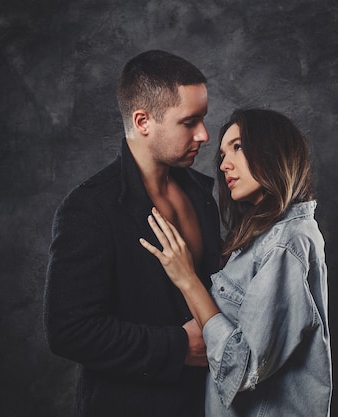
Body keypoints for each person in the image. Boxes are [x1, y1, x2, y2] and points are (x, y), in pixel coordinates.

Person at [43, 50, 221, 417]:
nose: (204, 135)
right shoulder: (90, 208)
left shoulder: (202, 194)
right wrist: (176, 347)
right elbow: (69, 330)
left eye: (203, 119)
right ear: (143, 121)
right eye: (189, 122)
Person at [140, 108, 332, 416]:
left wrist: (187, 279)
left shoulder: (286, 243)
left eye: (238, 147)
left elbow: (242, 368)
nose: (224, 164)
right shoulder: (261, 237)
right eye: (222, 154)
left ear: (273, 149)